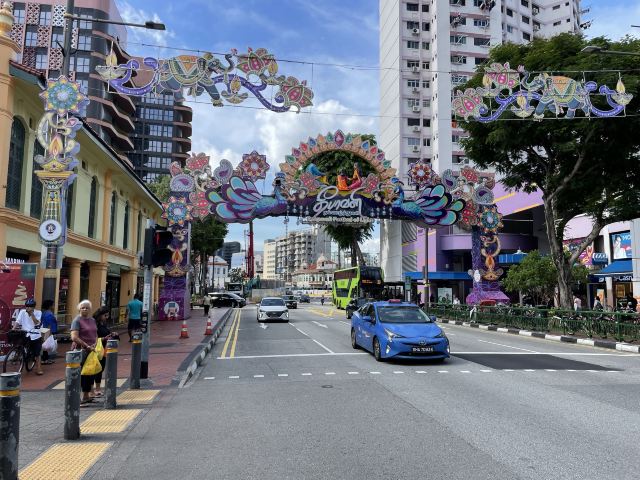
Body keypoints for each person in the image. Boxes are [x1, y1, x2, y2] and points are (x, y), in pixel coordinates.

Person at [70, 299, 98, 405]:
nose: (85, 309)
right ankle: (80, 398)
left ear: (90, 309)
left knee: (90, 373)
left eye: (87, 308)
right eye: (83, 308)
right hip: (80, 350)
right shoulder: (77, 320)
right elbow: (74, 337)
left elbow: (95, 333)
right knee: (82, 374)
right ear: (79, 309)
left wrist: (94, 344)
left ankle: (87, 395)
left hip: (91, 350)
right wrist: (86, 346)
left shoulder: (92, 320)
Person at [92, 306, 119, 398]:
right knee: (96, 369)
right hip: (96, 349)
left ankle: (97, 388)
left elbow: (105, 332)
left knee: (100, 368)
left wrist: (112, 334)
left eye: (107, 315)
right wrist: (104, 338)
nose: (107, 317)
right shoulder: (94, 324)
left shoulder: (102, 323)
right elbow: (93, 337)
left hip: (103, 349)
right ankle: (94, 390)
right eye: (105, 315)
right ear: (100, 315)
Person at [13, 298, 44, 375]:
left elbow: (36, 323)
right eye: (27, 306)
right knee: (19, 343)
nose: (28, 307)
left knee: (37, 352)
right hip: (25, 333)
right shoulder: (22, 312)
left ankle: (39, 368)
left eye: (30, 306)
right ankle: (18, 354)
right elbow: (18, 321)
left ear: (33, 307)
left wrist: (32, 314)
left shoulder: (38, 312)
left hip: (35, 334)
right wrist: (13, 328)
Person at [40, 299, 57, 365]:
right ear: (50, 306)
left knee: (46, 345)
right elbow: (49, 324)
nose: (54, 306)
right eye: (53, 305)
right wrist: (50, 333)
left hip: (44, 330)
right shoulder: (49, 314)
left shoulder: (44, 313)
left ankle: (46, 359)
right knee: (46, 345)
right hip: (47, 330)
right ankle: (44, 359)